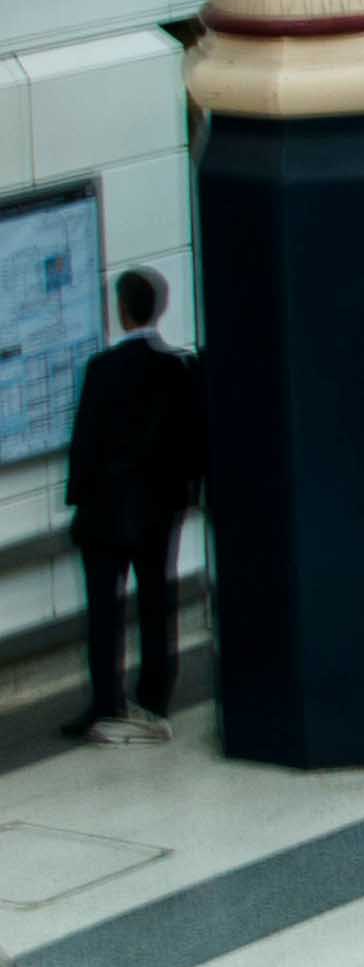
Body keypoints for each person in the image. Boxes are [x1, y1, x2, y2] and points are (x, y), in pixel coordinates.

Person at [58, 266, 205, 746]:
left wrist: (77, 498)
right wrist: (185, 493)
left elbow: (85, 444)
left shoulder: (102, 370)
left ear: (122, 310)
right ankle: (154, 698)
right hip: (159, 511)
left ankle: (106, 703)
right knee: (156, 602)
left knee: (105, 611)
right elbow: (191, 440)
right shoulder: (178, 368)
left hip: (104, 513)